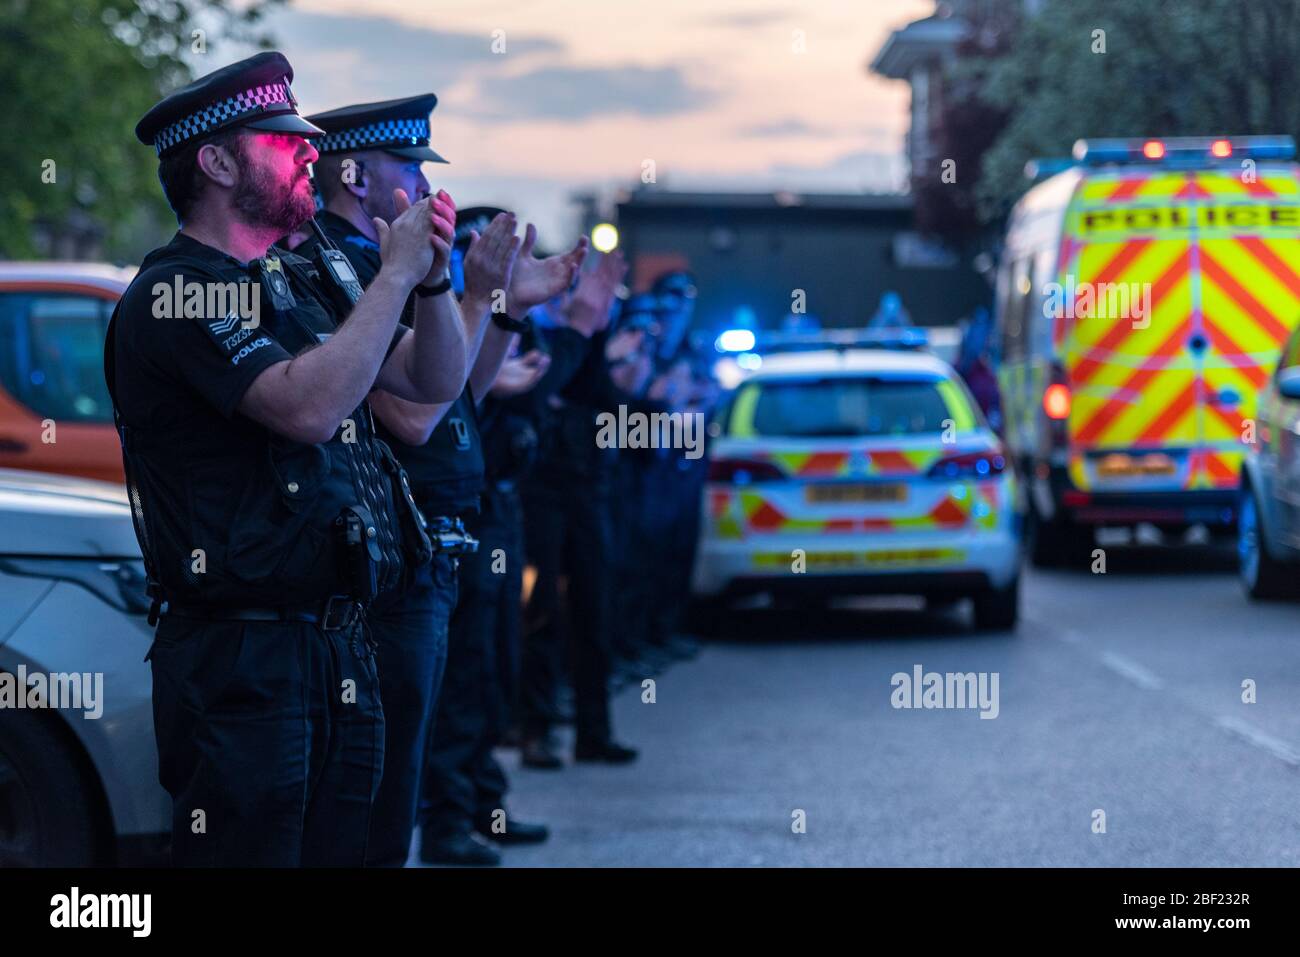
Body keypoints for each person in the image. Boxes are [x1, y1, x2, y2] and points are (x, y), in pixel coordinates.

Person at [108, 52, 466, 866]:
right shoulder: (179, 290)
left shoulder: (290, 282)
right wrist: (395, 274)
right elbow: (305, 406)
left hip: (337, 641)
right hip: (243, 662)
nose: (309, 150)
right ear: (217, 160)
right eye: (280, 139)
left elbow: (429, 381)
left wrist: (437, 283)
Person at [299, 96, 587, 865]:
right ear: (355, 176)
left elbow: (463, 388)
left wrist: (500, 303)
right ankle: (455, 823)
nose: (426, 189)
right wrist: (468, 292)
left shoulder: (384, 266)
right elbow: (417, 416)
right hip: (395, 552)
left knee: (409, 764)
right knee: (379, 787)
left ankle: (459, 816)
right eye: (409, 168)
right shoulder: (346, 265)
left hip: (435, 546)